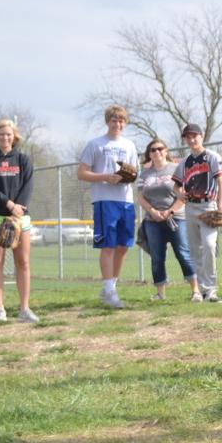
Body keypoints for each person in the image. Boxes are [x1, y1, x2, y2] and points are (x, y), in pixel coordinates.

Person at [77, 104, 139, 309]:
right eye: (114, 120)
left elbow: (134, 172)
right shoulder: (96, 144)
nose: (118, 124)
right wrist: (105, 177)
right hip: (104, 200)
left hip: (126, 200)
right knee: (109, 246)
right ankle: (110, 291)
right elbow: (82, 173)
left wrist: (127, 177)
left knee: (123, 246)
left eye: (121, 121)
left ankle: (109, 287)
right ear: (107, 122)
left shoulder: (129, 145)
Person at [0, 119, 39, 323]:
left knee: (23, 262)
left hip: (20, 216)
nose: (5, 137)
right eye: (2, 134)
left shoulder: (23, 160)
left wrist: (17, 208)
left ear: (14, 137)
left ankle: (24, 309)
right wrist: (9, 205)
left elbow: (28, 185)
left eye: (9, 134)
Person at [136, 139, 202, 302]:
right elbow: (140, 197)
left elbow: (183, 195)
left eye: (160, 149)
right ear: (149, 154)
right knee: (157, 257)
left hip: (176, 218)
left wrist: (170, 210)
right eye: (153, 150)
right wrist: (152, 211)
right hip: (153, 221)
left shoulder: (176, 169)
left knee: (183, 253)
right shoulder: (144, 174)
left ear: (166, 151)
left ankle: (195, 291)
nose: (156, 152)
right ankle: (160, 293)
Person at [173, 123, 222, 302]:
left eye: (194, 135)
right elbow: (175, 184)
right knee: (196, 251)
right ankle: (203, 291)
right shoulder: (185, 162)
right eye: (188, 137)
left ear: (201, 135)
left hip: (208, 206)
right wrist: (179, 192)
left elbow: (221, 181)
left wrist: (221, 206)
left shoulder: (211, 156)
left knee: (209, 245)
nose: (191, 139)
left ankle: (211, 289)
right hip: (190, 208)